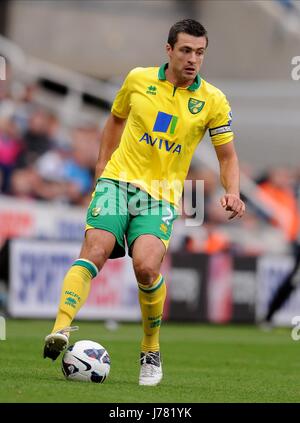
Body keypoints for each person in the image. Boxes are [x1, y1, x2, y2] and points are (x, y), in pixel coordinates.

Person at [43, 19, 245, 386]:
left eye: (199, 53)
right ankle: (60, 328)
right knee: (96, 249)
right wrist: (103, 166)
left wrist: (233, 190)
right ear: (168, 50)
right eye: (185, 51)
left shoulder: (213, 100)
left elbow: (227, 156)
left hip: (162, 197)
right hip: (117, 182)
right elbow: (115, 120)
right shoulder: (137, 79)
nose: (192, 60)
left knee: (147, 268)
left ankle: (150, 349)